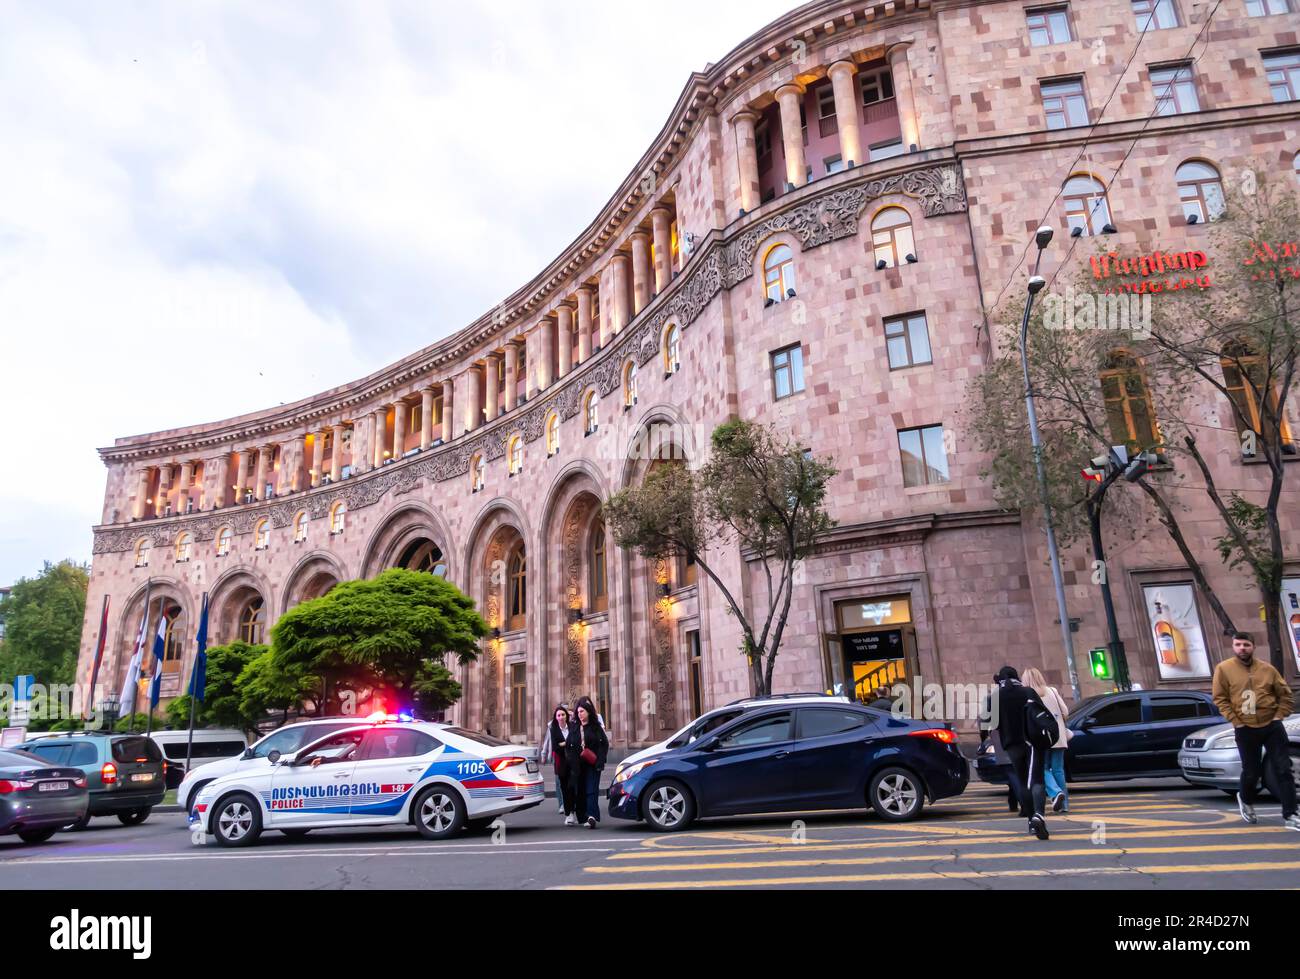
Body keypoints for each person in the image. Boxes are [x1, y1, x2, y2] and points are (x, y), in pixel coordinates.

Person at [1212, 632, 1298, 831]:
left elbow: (1285, 695)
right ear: (1233, 646)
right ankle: (1246, 798)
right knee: (1252, 772)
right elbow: (1220, 698)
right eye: (1238, 644)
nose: (1242, 648)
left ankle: (1291, 814)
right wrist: (1236, 722)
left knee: (1284, 769)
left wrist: (1279, 715)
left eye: (1246, 644)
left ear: (1253, 647)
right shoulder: (1224, 669)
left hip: (1271, 725)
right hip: (1245, 727)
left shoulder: (1267, 669)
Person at [981, 666, 1052, 840]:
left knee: (1021, 781)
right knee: (1036, 779)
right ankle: (1039, 815)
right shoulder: (1028, 692)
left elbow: (988, 723)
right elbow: (1043, 715)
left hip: (1012, 744)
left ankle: (1030, 821)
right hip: (1033, 742)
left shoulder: (995, 698)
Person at [1023, 667, 1071, 813]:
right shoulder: (1052, 691)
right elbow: (1066, 712)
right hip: (1059, 736)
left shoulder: (1028, 695)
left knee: (1042, 769)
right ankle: (1064, 805)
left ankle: (1056, 793)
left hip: (1042, 737)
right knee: (1058, 770)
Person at [568, 696, 609, 829]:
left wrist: (600, 760)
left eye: (582, 712)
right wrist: (571, 761)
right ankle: (584, 816)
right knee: (581, 790)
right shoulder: (574, 727)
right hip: (578, 765)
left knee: (592, 789)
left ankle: (592, 816)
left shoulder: (596, 727)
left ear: (589, 712)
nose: (580, 714)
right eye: (578, 712)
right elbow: (569, 745)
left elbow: (604, 744)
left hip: (593, 763)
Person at [542, 704, 575, 823]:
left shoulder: (572, 727)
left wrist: (564, 743)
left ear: (567, 716)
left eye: (563, 714)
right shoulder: (553, 729)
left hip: (574, 763)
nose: (561, 717)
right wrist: (544, 754)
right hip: (561, 763)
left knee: (573, 787)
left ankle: (573, 809)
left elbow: (575, 743)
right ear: (556, 717)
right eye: (558, 715)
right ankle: (568, 813)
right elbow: (555, 747)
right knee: (564, 788)